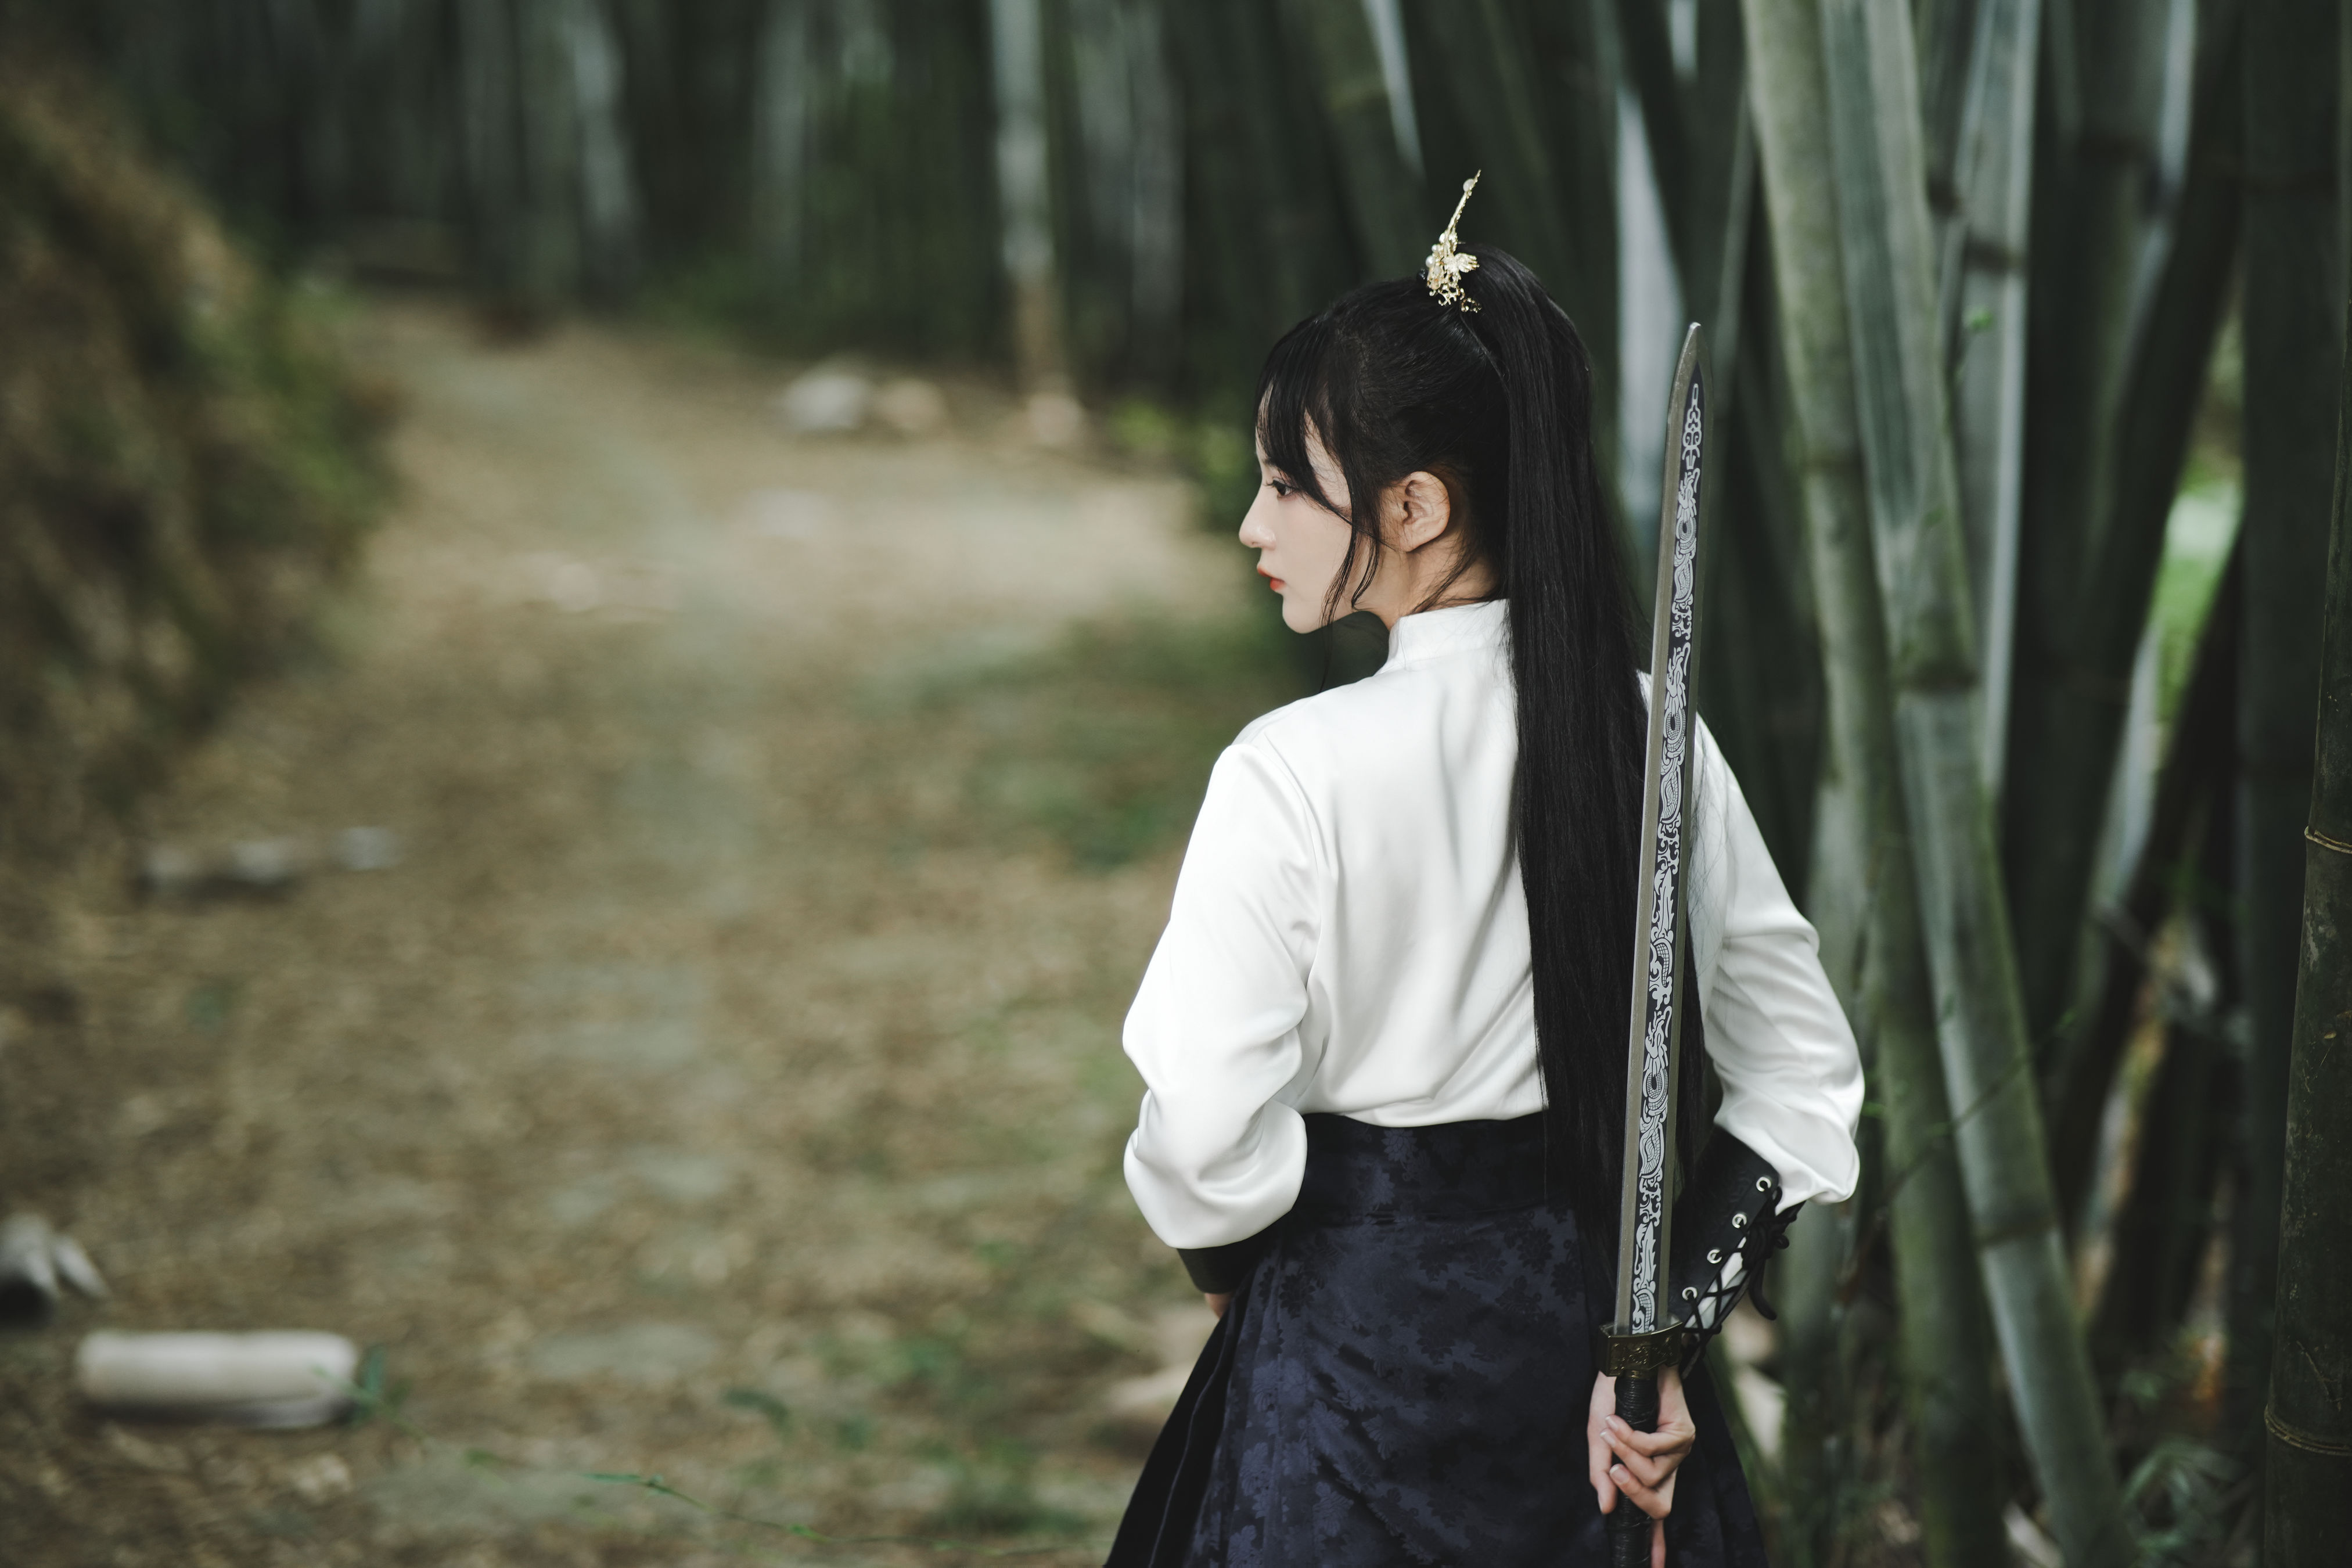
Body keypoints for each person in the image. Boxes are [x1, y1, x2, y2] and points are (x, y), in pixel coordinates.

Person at [1103, 191, 1862, 1568]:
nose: (1250, 525)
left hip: (1344, 1367)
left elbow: (1205, 1128)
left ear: (1416, 505)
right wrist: (1663, 1334)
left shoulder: (1291, 771)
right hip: (1600, 1379)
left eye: (1284, 483)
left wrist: (1231, 1262)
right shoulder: (1651, 736)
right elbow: (1802, 1078)